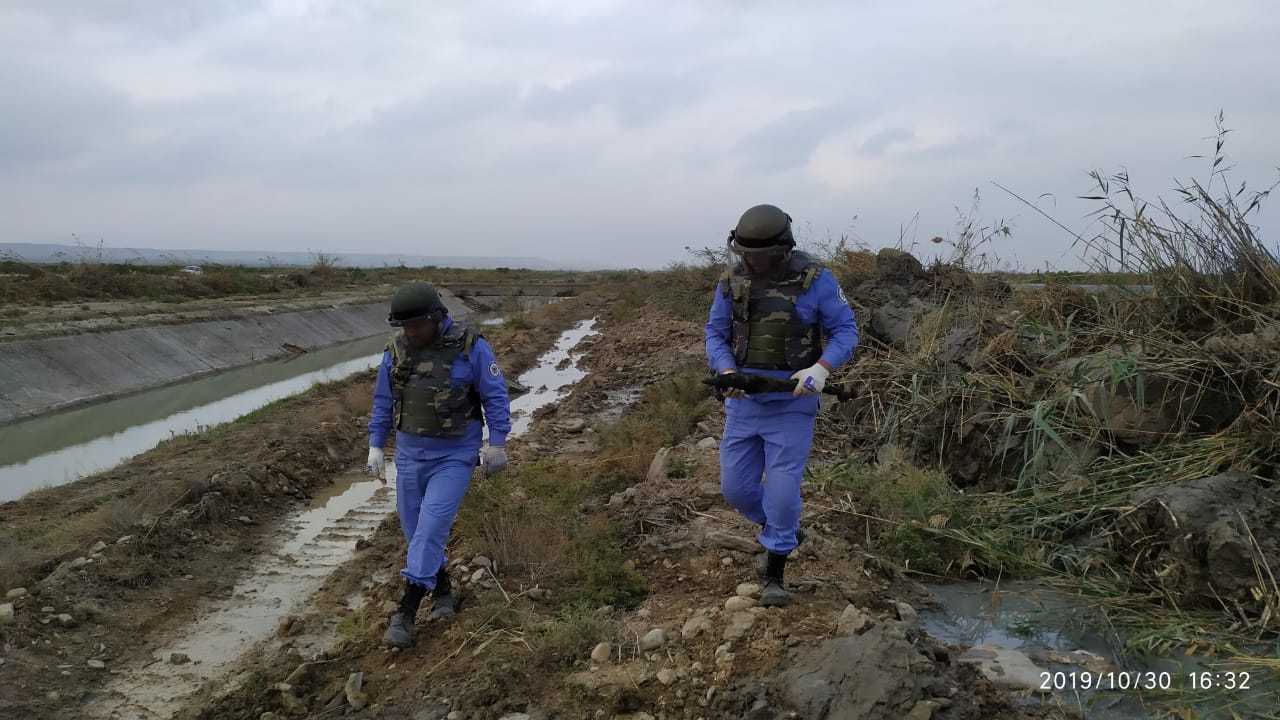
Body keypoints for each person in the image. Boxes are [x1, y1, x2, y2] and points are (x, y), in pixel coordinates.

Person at [704, 204, 859, 606]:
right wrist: (725, 371)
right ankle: (783, 530)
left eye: (762, 256)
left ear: (783, 249)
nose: (754, 263)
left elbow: (846, 330)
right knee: (736, 490)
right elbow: (716, 333)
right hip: (743, 401)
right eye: (747, 255)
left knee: (783, 491)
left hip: (793, 402)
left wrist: (822, 368)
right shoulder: (731, 282)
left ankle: (775, 570)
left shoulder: (816, 280)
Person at [366, 281, 511, 648]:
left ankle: (406, 612)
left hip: (454, 455)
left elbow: (495, 395)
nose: (411, 332)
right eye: (404, 326)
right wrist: (375, 445)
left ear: (436, 317)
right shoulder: (395, 351)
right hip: (409, 455)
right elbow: (383, 401)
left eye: (417, 325)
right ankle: (443, 590)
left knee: (431, 528)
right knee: (415, 532)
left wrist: (497, 443)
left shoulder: (470, 346)